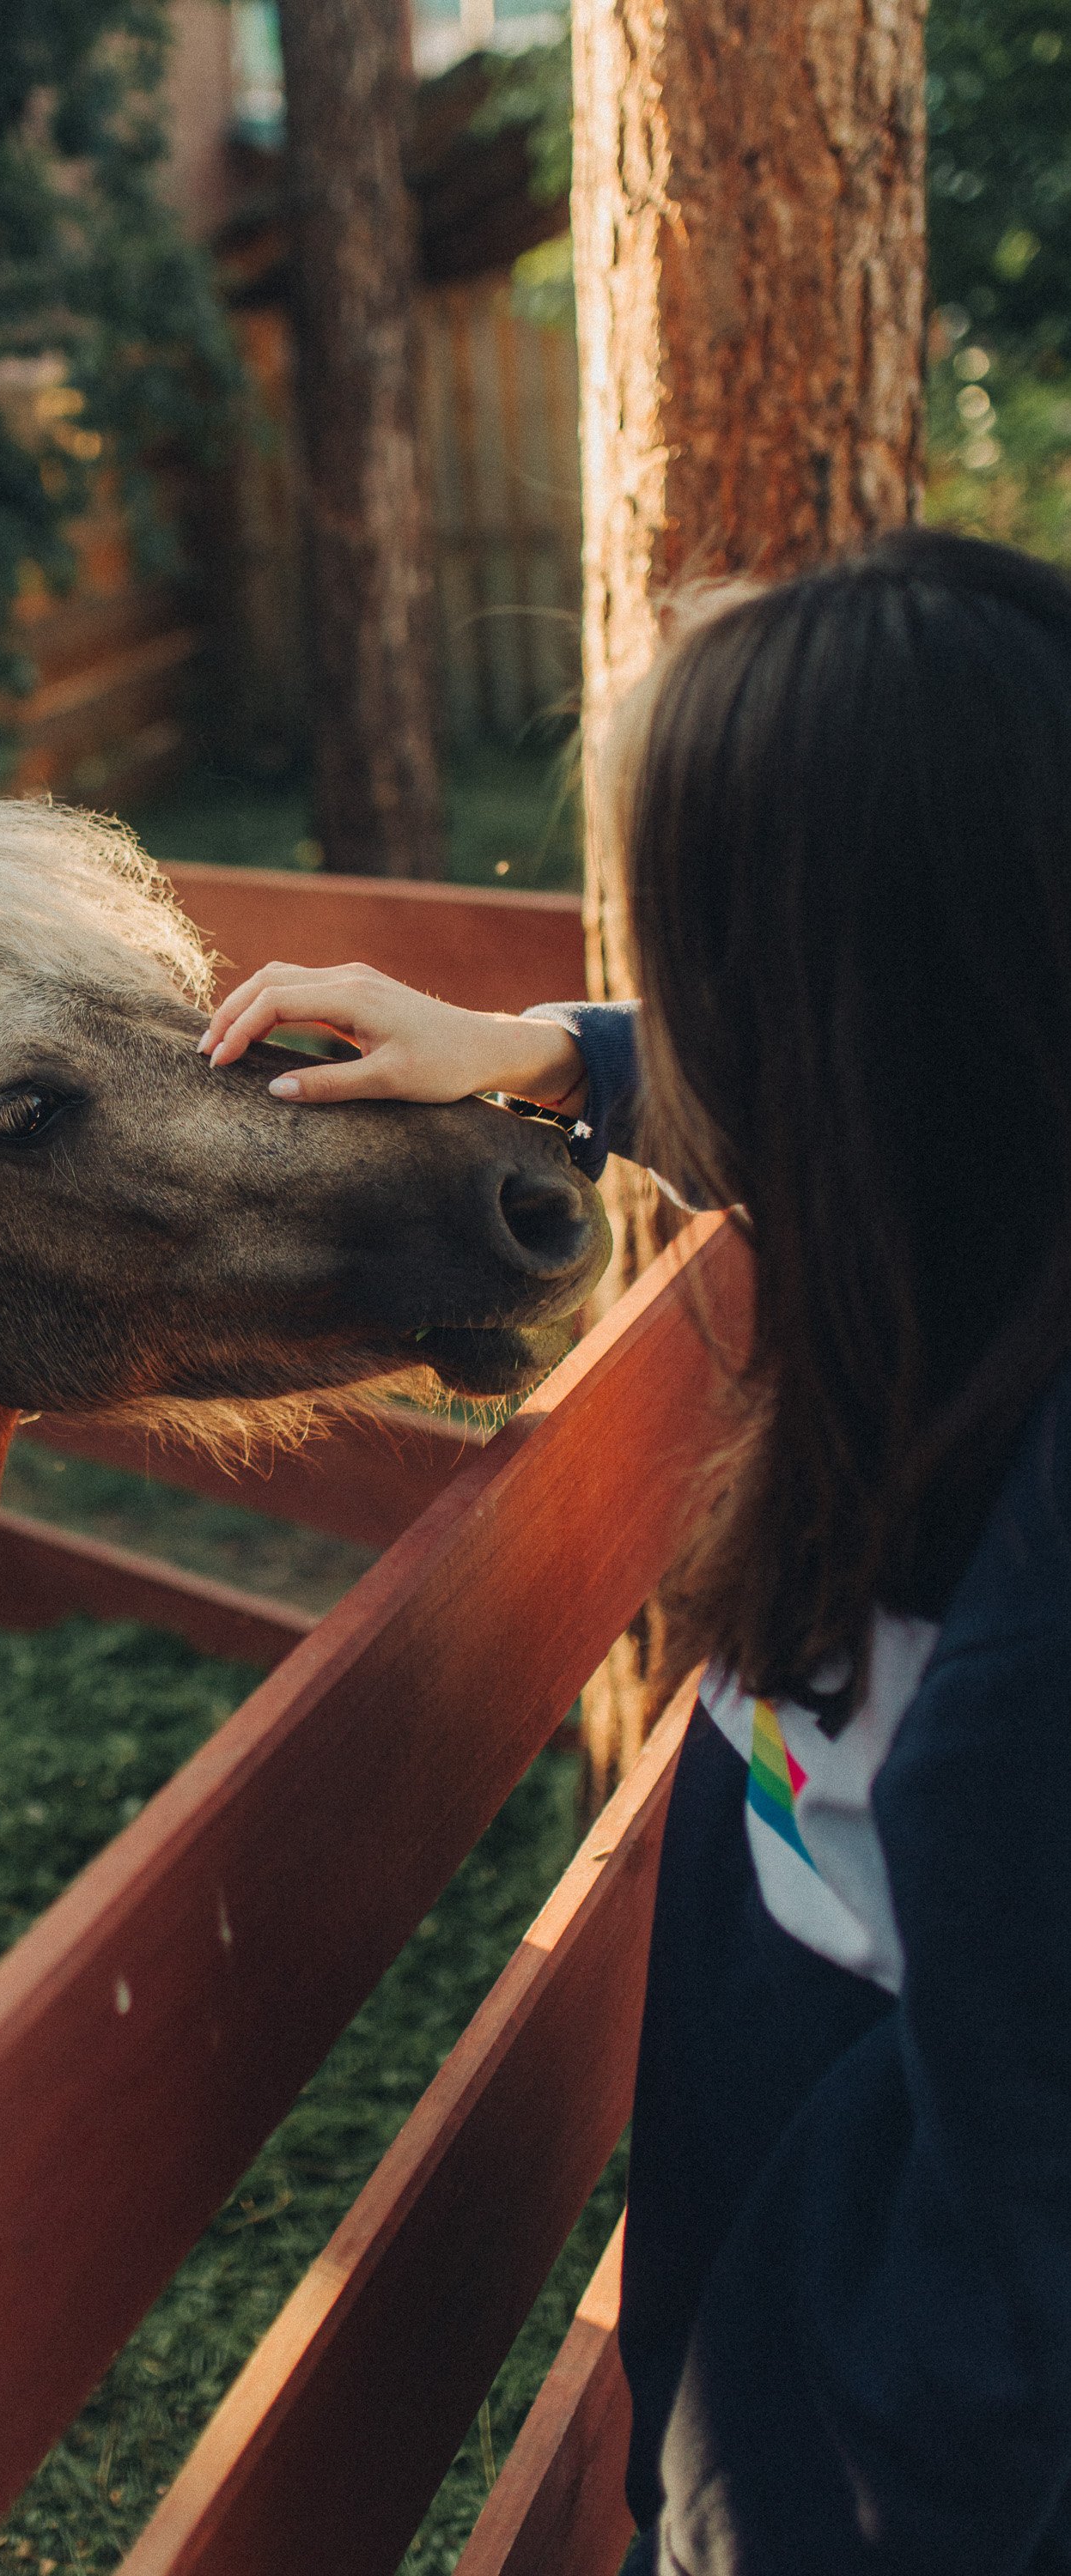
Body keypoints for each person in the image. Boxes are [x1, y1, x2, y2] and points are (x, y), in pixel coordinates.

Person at [197, 529, 1071, 2575]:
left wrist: (751, 2504)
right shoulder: (998, 1175)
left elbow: (1006, 2297)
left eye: (704, 968)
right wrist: (550, 1056)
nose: (681, 1028)